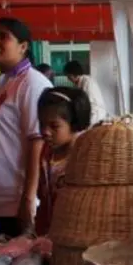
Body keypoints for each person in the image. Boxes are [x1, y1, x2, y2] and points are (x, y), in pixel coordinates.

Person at [0, 18, 53, 237]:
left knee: (27, 264)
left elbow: (38, 142)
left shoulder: (33, 84)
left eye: (3, 37)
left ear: (23, 47)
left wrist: (29, 197)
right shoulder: (0, 86)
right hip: (0, 196)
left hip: (21, 199)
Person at [35, 86, 91, 236]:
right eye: (41, 124)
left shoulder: (85, 157)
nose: (45, 132)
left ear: (74, 123)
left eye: (54, 126)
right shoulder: (46, 153)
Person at [64, 60, 106, 126]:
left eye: (68, 76)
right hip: (90, 115)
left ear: (74, 73)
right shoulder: (78, 83)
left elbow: (88, 104)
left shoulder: (87, 82)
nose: (68, 78)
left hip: (95, 116)